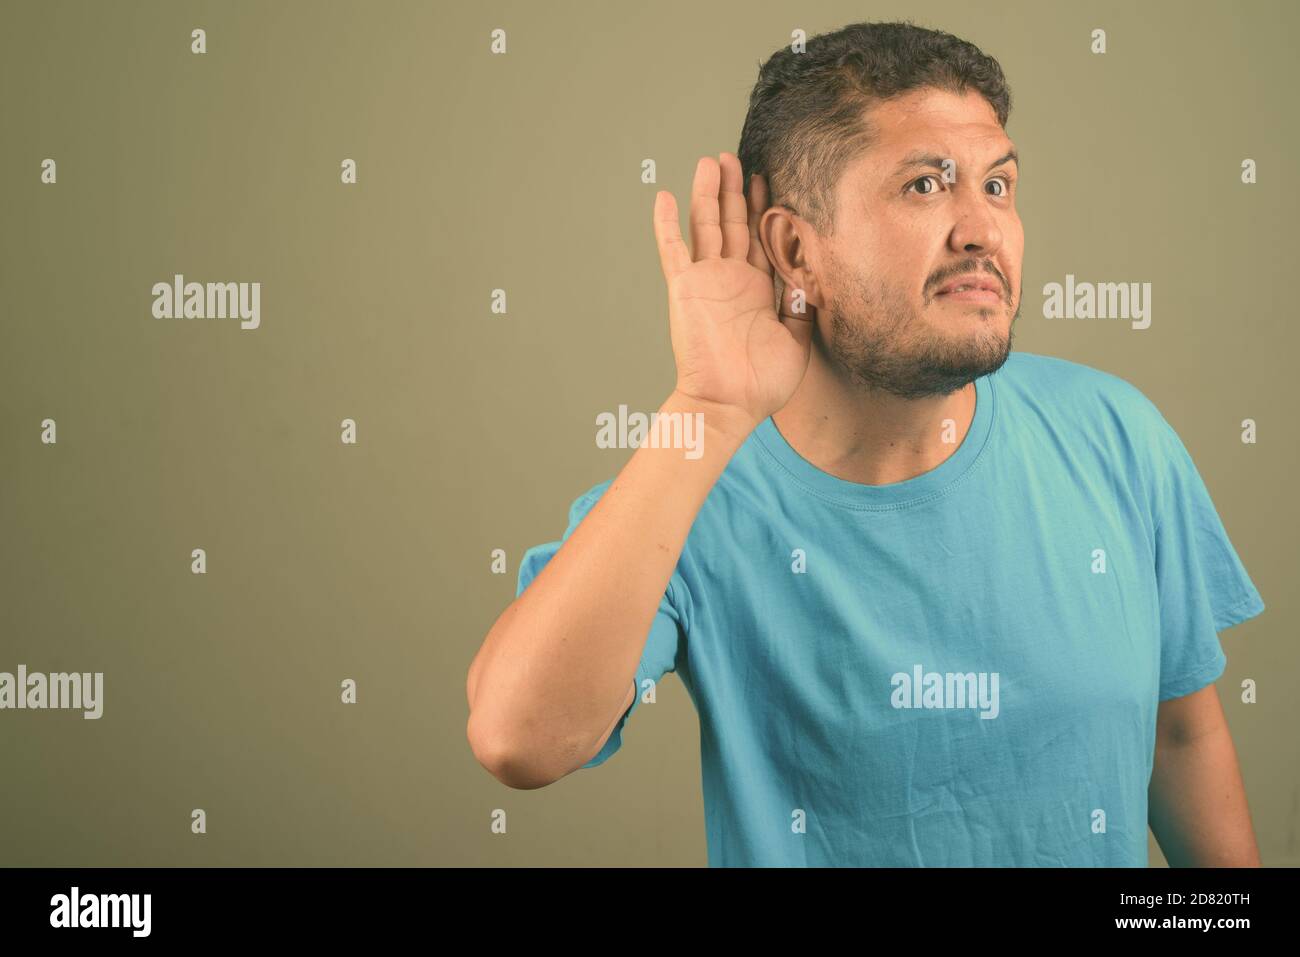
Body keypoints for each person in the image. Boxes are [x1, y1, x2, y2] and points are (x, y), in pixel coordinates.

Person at [465, 20, 1265, 867]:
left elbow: (1179, 735)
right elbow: (519, 739)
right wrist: (706, 404)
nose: (981, 231)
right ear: (794, 248)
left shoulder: (1116, 434)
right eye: (926, 186)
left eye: (998, 186)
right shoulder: (695, 490)